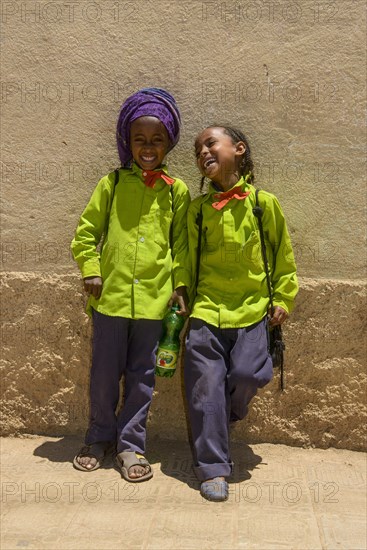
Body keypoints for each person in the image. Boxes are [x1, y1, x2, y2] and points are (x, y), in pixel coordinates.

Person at [71, 88, 190, 481]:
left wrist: (180, 286)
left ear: (169, 141)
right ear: (128, 141)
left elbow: (181, 245)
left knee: (143, 376)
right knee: (104, 373)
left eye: (157, 140)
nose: (148, 147)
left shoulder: (177, 191)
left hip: (156, 304)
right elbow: (86, 233)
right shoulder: (112, 184)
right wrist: (91, 268)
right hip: (111, 300)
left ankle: (131, 445)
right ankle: (98, 436)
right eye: (139, 139)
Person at [184, 125, 298, 501]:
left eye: (210, 143)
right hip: (206, 311)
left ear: (240, 149)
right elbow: (186, 257)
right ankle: (213, 468)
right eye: (198, 149)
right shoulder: (198, 210)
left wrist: (283, 297)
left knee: (250, 373)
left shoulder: (263, 204)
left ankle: (227, 417)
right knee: (205, 391)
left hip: (252, 311)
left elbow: (282, 255)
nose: (203, 152)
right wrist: (180, 289)